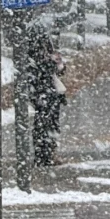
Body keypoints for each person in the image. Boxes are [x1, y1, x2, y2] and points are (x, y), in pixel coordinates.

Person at [27, 21, 67, 168]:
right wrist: (54, 63)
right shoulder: (37, 54)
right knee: (46, 123)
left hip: (43, 92)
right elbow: (46, 70)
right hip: (44, 91)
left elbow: (58, 69)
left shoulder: (36, 53)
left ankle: (45, 154)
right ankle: (45, 155)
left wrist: (57, 63)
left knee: (45, 123)